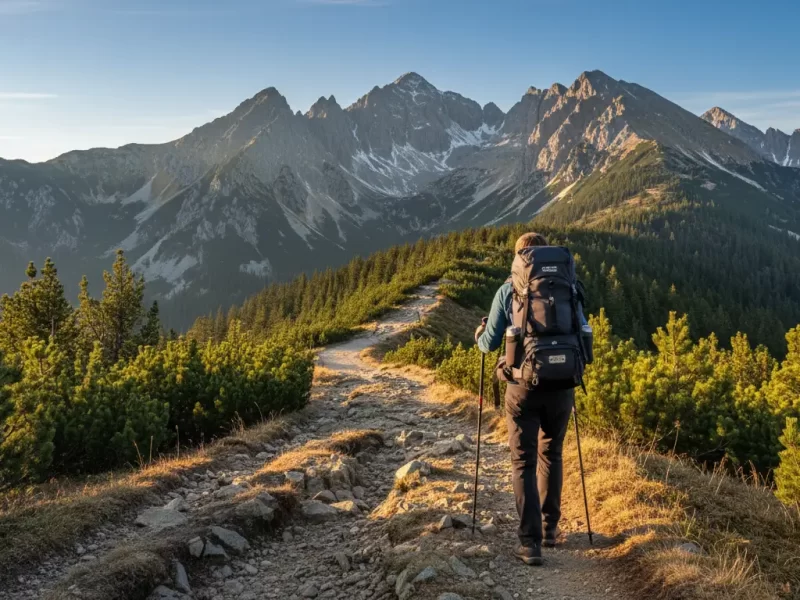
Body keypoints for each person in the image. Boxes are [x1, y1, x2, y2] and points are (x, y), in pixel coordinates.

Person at [475, 232, 587, 566]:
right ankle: (551, 528)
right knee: (551, 453)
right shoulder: (569, 287)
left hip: (522, 387)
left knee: (523, 461)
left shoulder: (509, 289)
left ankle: (530, 543)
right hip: (563, 383)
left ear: (519, 258)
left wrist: (480, 335)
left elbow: (489, 342)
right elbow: (581, 331)